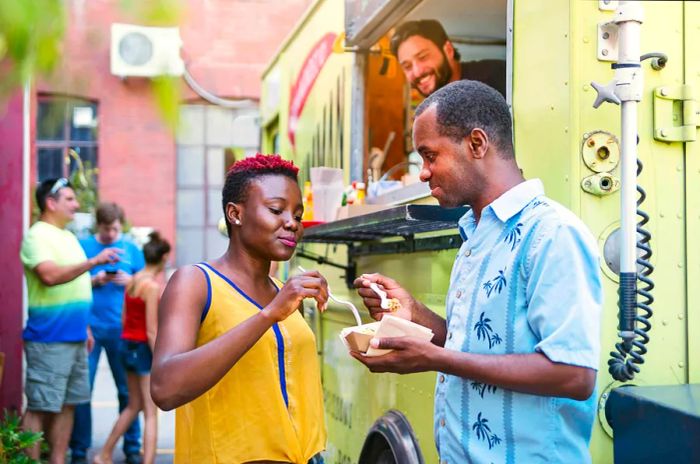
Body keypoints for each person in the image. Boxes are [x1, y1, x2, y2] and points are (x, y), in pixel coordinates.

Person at [352, 81, 603, 463]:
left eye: (430, 155)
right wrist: (413, 312)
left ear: (477, 144)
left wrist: (435, 359)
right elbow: (476, 344)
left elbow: (574, 374)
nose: (423, 173)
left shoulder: (551, 234)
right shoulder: (475, 234)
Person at [151, 154, 329, 464]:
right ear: (235, 214)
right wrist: (268, 315)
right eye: (276, 210)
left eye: (298, 215)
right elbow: (165, 388)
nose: (291, 223)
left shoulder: (281, 294)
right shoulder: (195, 282)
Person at [20, 178, 121, 464]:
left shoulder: (66, 237)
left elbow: (76, 286)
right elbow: (50, 276)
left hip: (76, 335)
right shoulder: (37, 236)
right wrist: (94, 262)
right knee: (40, 405)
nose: (77, 205)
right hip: (49, 338)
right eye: (70, 199)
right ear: (51, 203)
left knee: (69, 404)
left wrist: (85, 326)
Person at [71, 203, 145, 464]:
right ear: (98, 226)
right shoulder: (84, 247)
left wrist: (130, 281)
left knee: (128, 393)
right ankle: (79, 450)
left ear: (120, 226)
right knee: (83, 391)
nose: (111, 234)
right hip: (89, 327)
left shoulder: (131, 248)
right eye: (106, 229)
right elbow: (71, 282)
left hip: (123, 330)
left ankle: (132, 448)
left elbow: (148, 282)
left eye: (115, 229)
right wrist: (95, 279)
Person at [94, 232, 171, 464]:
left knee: (133, 405)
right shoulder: (151, 287)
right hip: (142, 349)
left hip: (126, 345)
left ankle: (104, 454)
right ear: (164, 258)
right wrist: (161, 359)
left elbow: (124, 318)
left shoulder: (133, 280)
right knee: (150, 412)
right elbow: (151, 330)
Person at [390, 19, 506, 98]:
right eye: (407, 66)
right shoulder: (433, 110)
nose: (417, 72)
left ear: (448, 50)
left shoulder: (497, 75)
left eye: (423, 57)